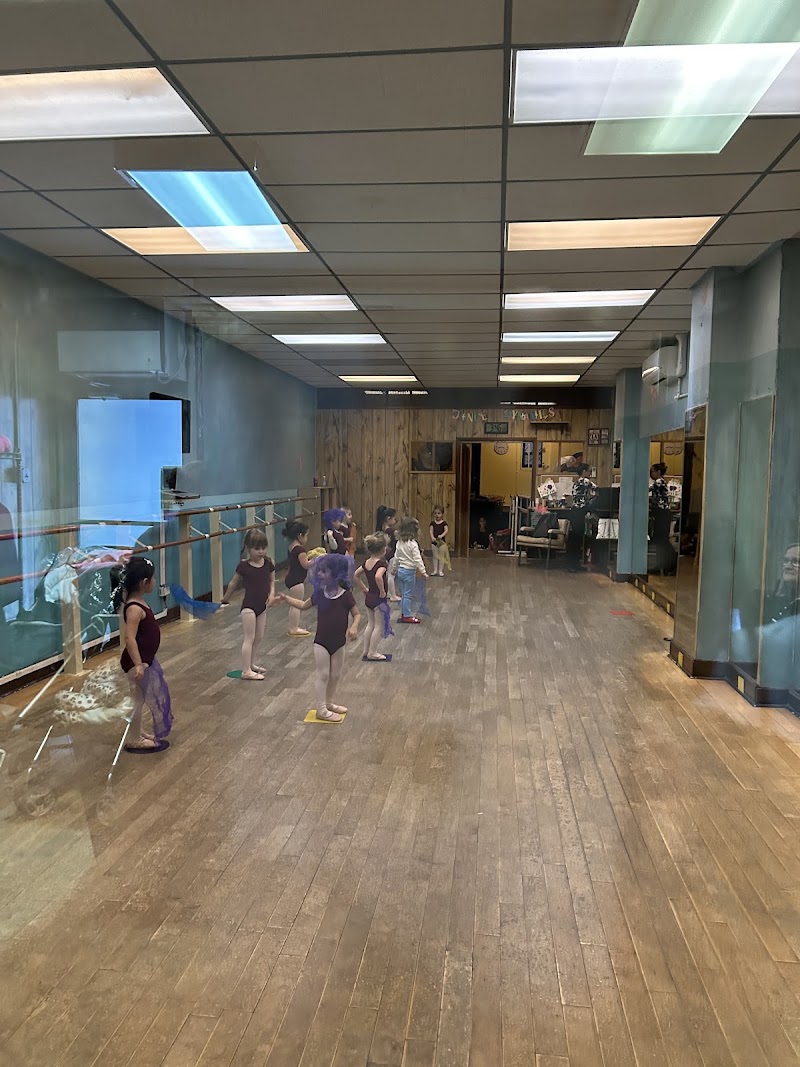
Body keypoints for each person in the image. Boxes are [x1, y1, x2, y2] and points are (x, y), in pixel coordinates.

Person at [279, 554, 360, 722]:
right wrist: (286, 599)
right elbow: (303, 605)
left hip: (339, 643)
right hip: (321, 643)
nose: (320, 574)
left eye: (324, 571)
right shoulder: (319, 594)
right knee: (323, 674)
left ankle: (329, 703)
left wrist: (354, 627)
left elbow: (357, 614)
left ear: (336, 573)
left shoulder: (346, 596)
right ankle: (321, 709)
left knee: (335, 675)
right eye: (319, 571)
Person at [111, 557, 172, 753]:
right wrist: (138, 664)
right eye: (153, 578)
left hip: (143, 660)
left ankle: (138, 732)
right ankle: (134, 738)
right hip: (135, 663)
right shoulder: (134, 608)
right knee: (137, 701)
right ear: (144, 583)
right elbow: (129, 638)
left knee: (140, 699)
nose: (155, 581)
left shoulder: (138, 602)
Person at [221, 528, 277, 680]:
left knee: (259, 637)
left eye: (263, 548)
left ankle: (251, 664)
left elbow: (272, 581)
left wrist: (272, 594)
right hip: (249, 607)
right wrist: (225, 598)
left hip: (262, 606)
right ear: (248, 548)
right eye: (257, 548)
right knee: (249, 638)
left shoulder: (268, 563)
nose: (261, 552)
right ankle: (245, 670)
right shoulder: (244, 566)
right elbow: (233, 584)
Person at [355, 532, 389, 660]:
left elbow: (356, 575)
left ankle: (366, 650)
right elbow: (378, 577)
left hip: (369, 597)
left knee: (370, 624)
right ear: (383, 549)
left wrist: (363, 589)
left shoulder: (366, 563)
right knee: (379, 626)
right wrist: (382, 592)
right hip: (378, 599)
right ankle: (372, 652)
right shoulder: (382, 564)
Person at [395, 515, 428, 623]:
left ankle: (404, 613)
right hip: (409, 572)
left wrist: (394, 568)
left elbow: (396, 557)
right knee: (408, 595)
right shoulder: (413, 544)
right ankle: (407, 616)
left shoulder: (399, 542)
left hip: (400, 570)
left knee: (404, 594)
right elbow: (418, 559)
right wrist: (423, 571)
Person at [282, 519, 311, 637]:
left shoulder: (291, 546)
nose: (307, 538)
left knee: (294, 604)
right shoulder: (300, 549)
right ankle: (293, 628)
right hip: (297, 581)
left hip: (292, 577)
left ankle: (293, 626)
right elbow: (306, 565)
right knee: (297, 605)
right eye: (306, 535)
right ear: (300, 535)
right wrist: (317, 559)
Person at [565, 464, 597, 572]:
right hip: (579, 512)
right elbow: (597, 490)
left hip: (574, 511)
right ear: (583, 471)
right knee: (577, 538)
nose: (590, 473)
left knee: (574, 538)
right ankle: (573, 564)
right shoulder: (585, 481)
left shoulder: (576, 482)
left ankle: (572, 563)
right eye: (589, 471)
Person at [649, 462, 677, 575]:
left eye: (652, 471)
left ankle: (669, 564)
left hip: (662, 514)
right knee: (660, 541)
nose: (650, 474)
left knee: (662, 541)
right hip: (661, 514)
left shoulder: (659, 482)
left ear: (658, 472)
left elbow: (648, 492)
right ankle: (662, 564)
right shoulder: (661, 483)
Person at [377, 505, 401, 602]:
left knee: (388, 574)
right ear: (388, 519)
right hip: (393, 554)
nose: (395, 521)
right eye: (394, 519)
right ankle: (393, 595)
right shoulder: (391, 531)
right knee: (391, 575)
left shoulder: (383, 529)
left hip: (388, 554)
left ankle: (389, 593)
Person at [429, 506, 449, 577]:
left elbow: (446, 530)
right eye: (435, 513)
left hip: (442, 542)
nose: (437, 515)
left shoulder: (444, 523)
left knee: (441, 557)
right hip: (434, 542)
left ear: (442, 514)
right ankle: (435, 570)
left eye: (439, 513)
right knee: (435, 556)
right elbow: (431, 531)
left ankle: (440, 571)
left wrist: (442, 535)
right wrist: (432, 537)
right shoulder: (432, 523)